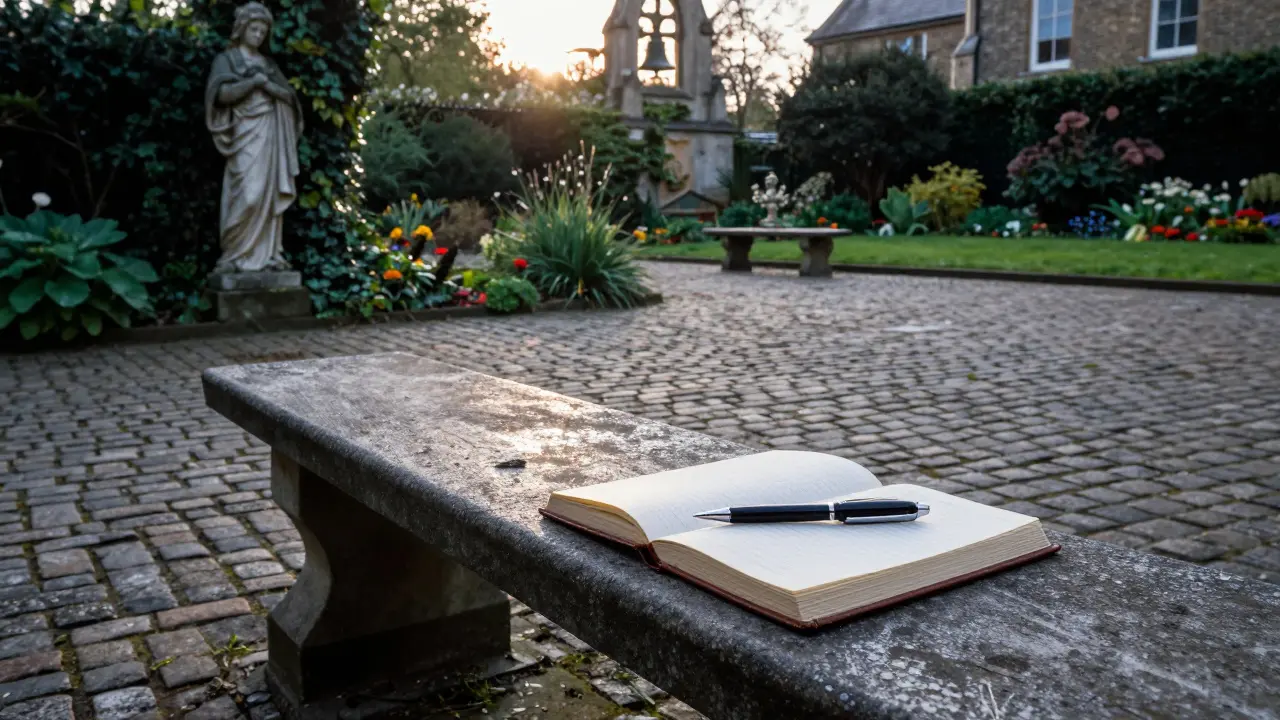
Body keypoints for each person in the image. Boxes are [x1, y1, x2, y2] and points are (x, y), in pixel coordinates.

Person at [205, 2, 302, 273]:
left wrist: (267, 84)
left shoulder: (268, 64)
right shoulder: (227, 60)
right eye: (254, 29)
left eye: (263, 31)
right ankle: (233, 256)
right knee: (247, 194)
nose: (258, 35)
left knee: (267, 194)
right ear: (242, 29)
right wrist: (252, 84)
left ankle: (270, 254)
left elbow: (288, 97)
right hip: (243, 134)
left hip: (270, 131)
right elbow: (221, 95)